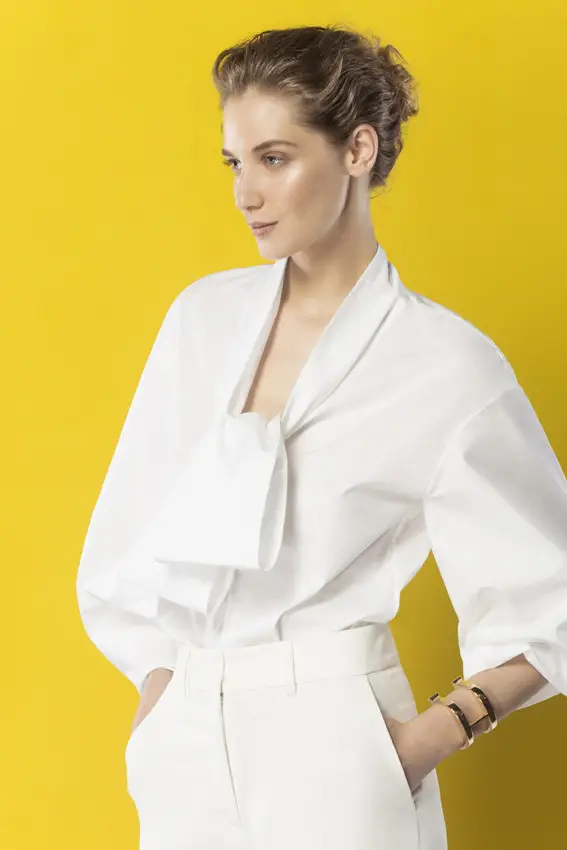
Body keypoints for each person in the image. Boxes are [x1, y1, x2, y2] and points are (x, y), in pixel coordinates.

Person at [76, 24, 567, 850]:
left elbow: (552, 594)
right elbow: (132, 527)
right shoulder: (202, 320)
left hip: (337, 735)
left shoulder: (444, 363)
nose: (246, 193)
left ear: (356, 151)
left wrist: (428, 738)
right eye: (235, 163)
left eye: (274, 158)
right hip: (185, 736)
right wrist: (160, 696)